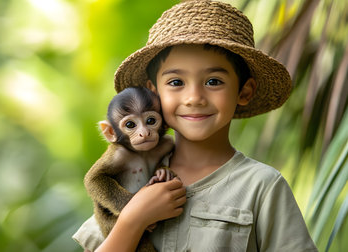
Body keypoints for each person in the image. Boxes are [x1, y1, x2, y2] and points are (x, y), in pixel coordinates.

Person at [73, 0, 318, 251]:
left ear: (244, 92)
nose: (194, 98)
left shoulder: (262, 185)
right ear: (154, 94)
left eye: (213, 81)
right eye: (176, 82)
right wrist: (133, 218)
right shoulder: (133, 172)